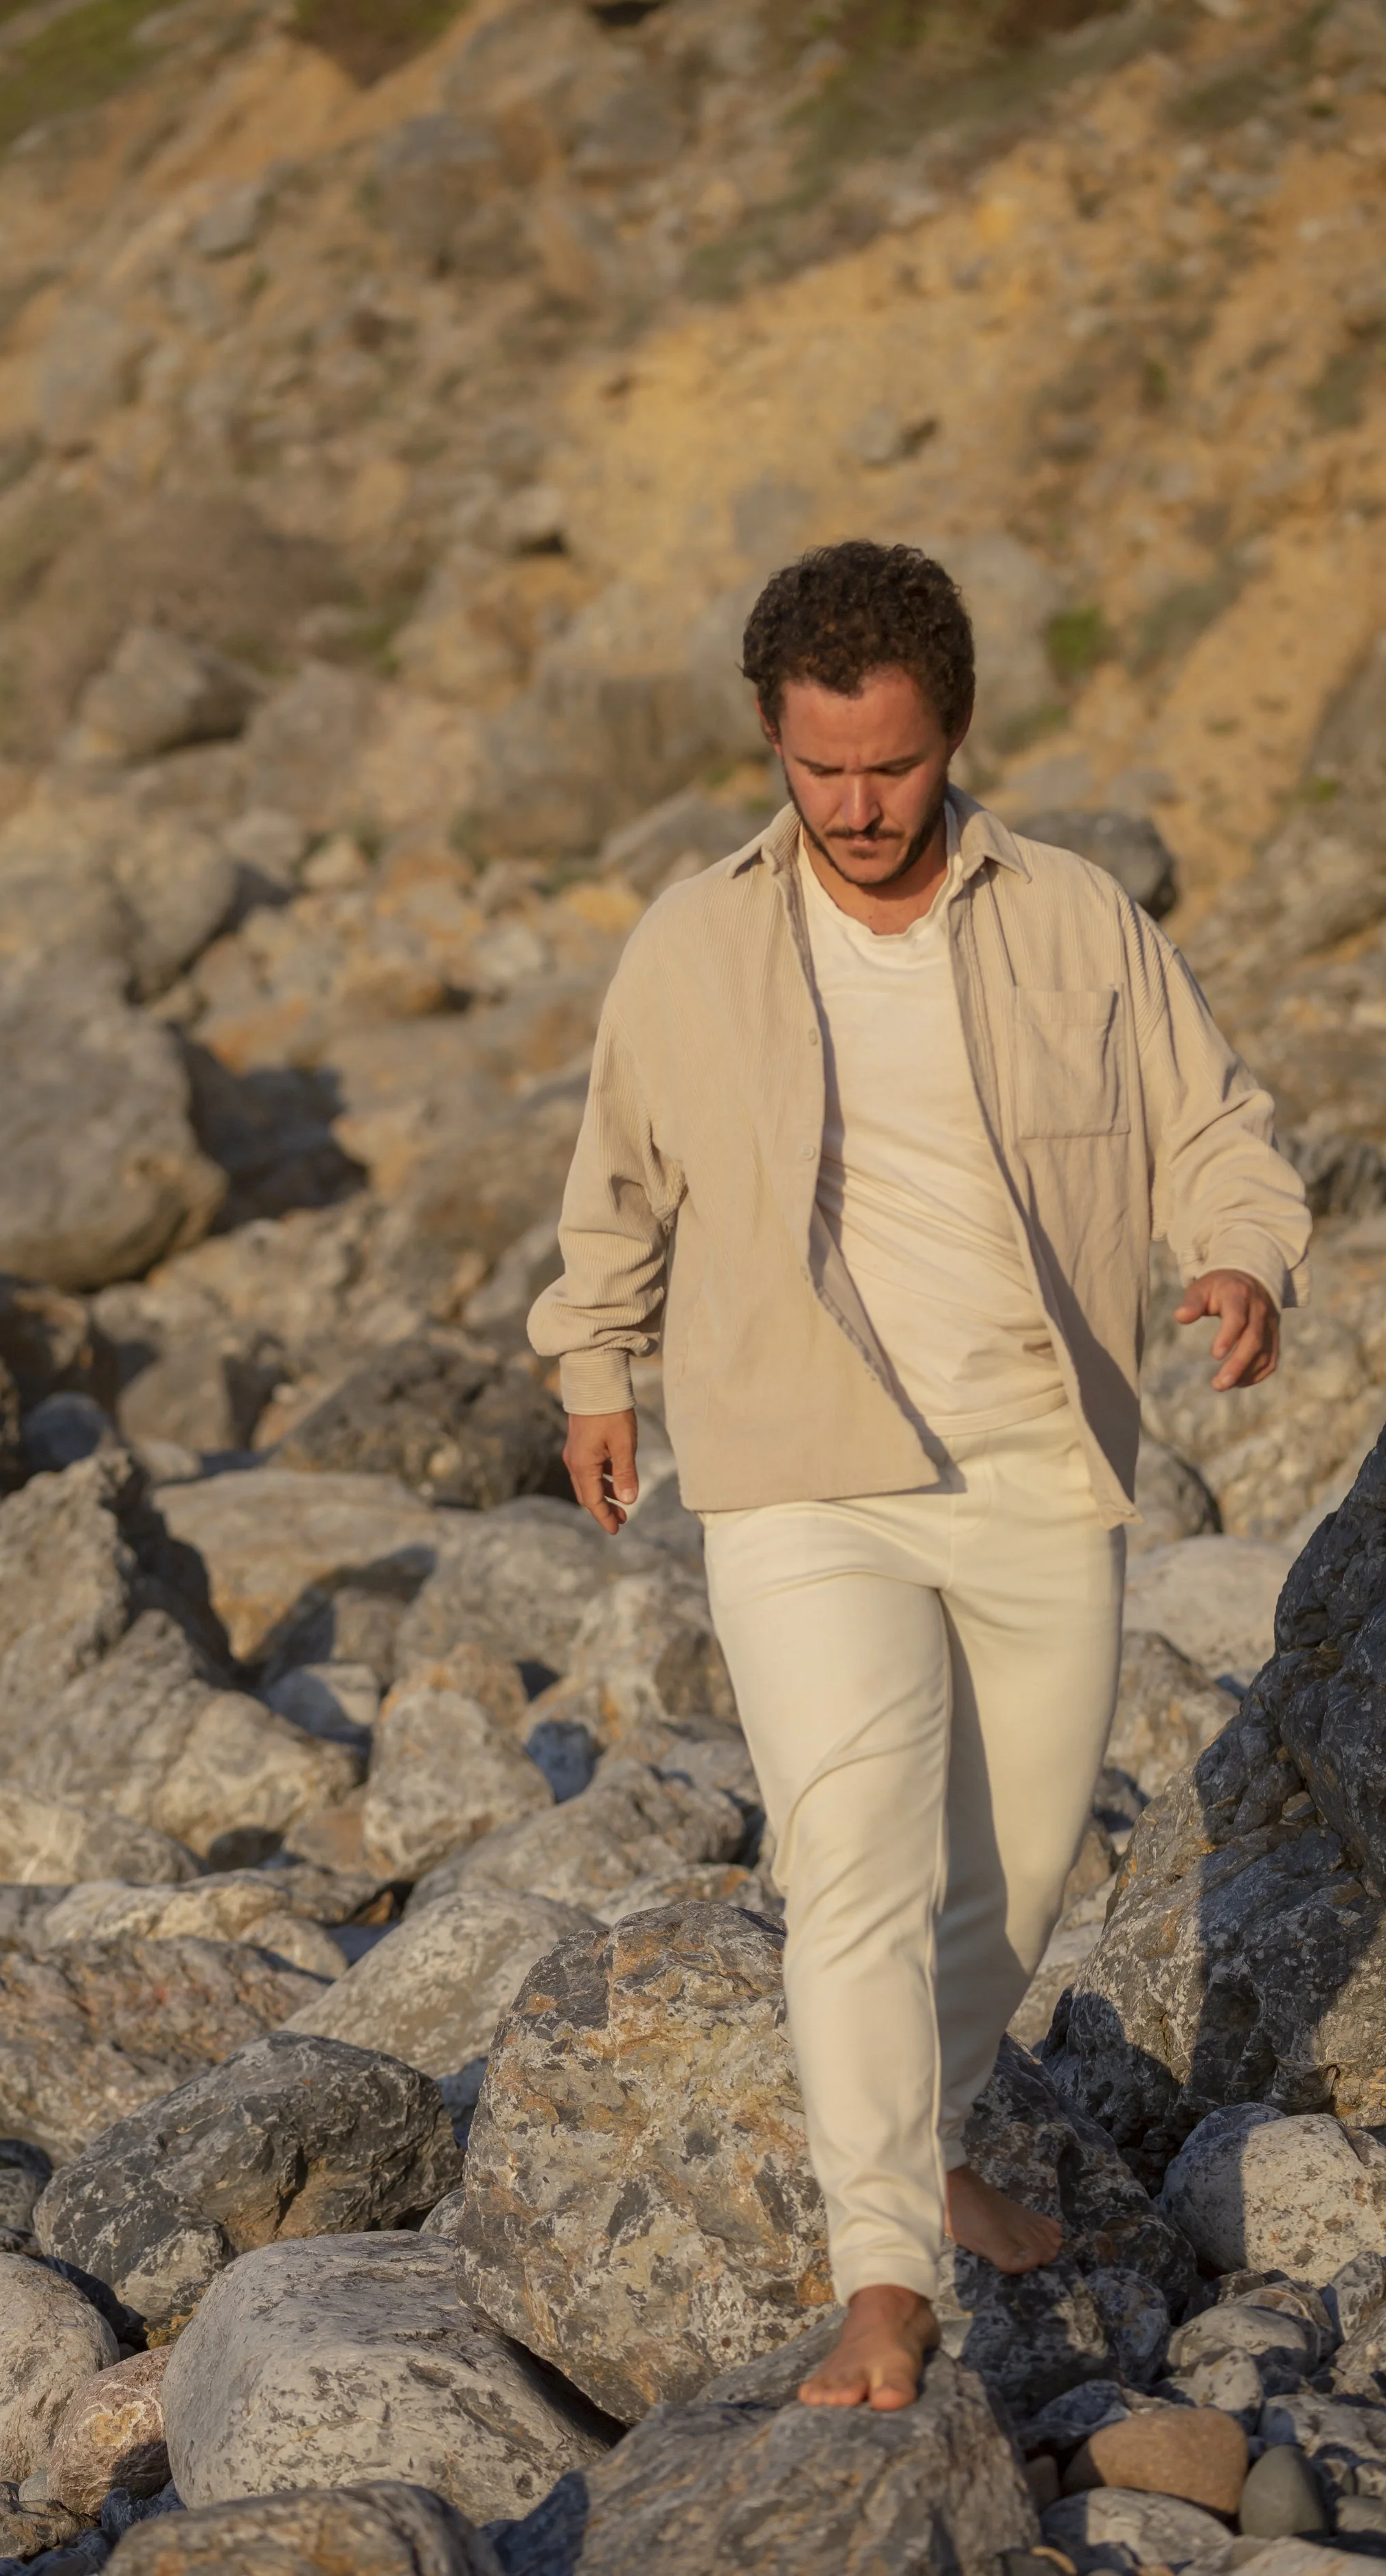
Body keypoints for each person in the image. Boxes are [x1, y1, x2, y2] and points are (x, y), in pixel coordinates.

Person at [527, 540, 1310, 2413]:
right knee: (854, 1852)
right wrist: (593, 1365)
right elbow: (615, 1182)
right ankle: (879, 2277)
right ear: (770, 743)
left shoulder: (1071, 922)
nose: (855, 807)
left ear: (949, 731)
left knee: (1018, 1865)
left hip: (1038, 1462)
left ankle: (920, 2122)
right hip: (798, 1468)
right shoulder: (692, 946)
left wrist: (1238, 1254)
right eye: (817, 770)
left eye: (885, 765)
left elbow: (1215, 1124)